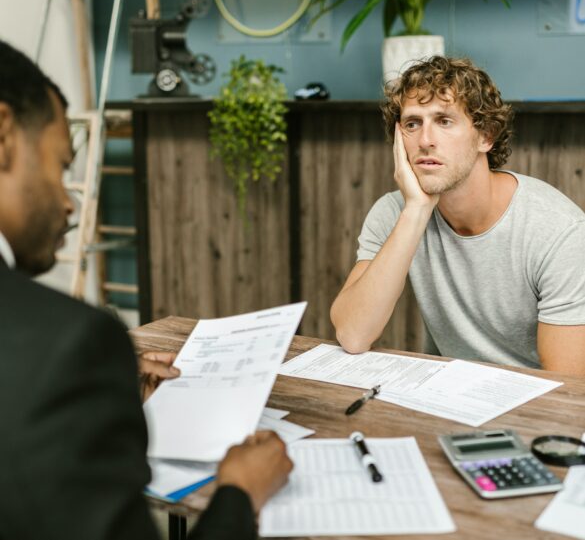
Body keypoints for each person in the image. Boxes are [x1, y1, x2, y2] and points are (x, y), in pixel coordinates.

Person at [0, 39, 292, 540]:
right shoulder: (69, 345)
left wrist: (91, 395)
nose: (69, 204)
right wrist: (239, 493)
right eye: (60, 166)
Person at [331, 56, 585, 375]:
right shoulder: (395, 212)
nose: (425, 141)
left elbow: (566, 389)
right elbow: (353, 335)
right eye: (412, 124)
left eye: (444, 121)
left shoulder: (559, 232)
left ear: (486, 136)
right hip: (449, 396)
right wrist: (416, 211)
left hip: (532, 410)